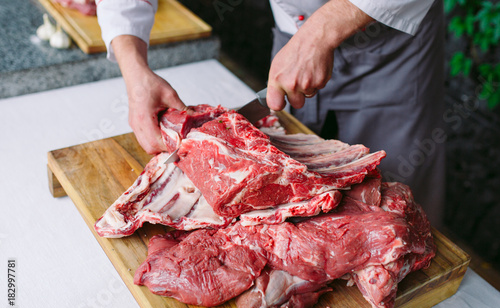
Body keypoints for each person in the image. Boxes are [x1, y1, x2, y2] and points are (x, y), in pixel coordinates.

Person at [96, 0, 445, 227]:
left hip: (391, 34)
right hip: (293, 29)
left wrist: (325, 28)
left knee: (398, 202)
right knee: (290, 182)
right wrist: (134, 67)